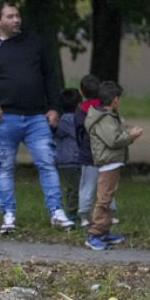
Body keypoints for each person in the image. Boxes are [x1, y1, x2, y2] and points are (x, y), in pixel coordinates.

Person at [0, 1, 73, 234]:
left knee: (47, 163)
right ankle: (9, 216)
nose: (16, 20)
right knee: (4, 168)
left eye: (18, 16)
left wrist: (55, 108)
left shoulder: (35, 43)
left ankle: (57, 212)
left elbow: (50, 77)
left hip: (37, 118)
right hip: (5, 119)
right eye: (11, 16)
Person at [84, 81, 143, 251]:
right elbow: (113, 140)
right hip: (108, 163)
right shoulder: (104, 119)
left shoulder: (109, 116)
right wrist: (131, 136)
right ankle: (94, 234)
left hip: (112, 163)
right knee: (104, 200)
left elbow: (116, 133)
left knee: (108, 199)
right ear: (115, 99)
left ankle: (104, 231)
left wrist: (127, 131)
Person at [75, 73, 116, 227]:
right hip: (105, 153)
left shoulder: (80, 110)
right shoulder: (106, 108)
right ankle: (111, 213)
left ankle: (85, 215)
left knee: (87, 184)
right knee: (108, 184)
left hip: (88, 153)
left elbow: (78, 130)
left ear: (81, 91)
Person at [54, 88, 83, 222]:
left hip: (65, 160)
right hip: (72, 160)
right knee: (74, 189)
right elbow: (79, 136)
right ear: (78, 104)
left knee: (73, 188)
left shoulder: (61, 119)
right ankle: (72, 215)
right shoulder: (71, 120)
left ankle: (74, 212)